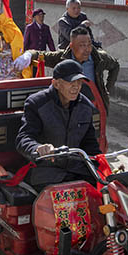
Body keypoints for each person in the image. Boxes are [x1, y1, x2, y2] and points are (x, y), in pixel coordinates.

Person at [15, 59, 102, 188]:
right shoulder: (37, 103)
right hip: (46, 172)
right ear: (56, 84)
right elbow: (24, 138)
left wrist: (102, 164)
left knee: (107, 192)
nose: (76, 86)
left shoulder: (85, 106)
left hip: (77, 169)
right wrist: (38, 148)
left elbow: (90, 143)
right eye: (71, 82)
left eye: (79, 82)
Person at [35, 26, 120, 112]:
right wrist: (28, 55)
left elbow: (115, 65)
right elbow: (40, 55)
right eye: (82, 45)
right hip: (69, 107)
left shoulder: (99, 58)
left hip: (93, 106)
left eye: (89, 44)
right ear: (71, 46)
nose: (87, 49)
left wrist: (106, 90)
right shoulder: (62, 58)